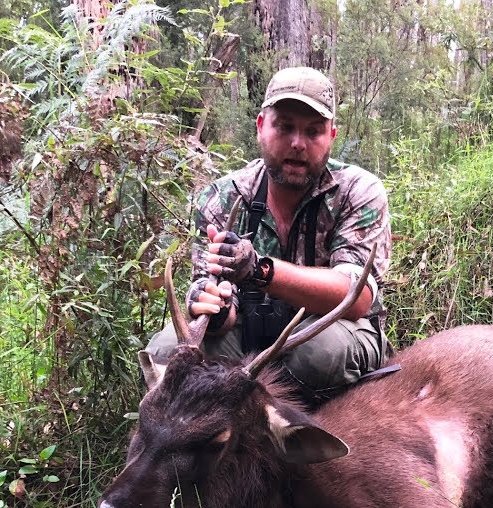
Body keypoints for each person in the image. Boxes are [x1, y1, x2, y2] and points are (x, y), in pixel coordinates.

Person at [146, 66, 392, 404]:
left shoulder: (357, 192)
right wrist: (215, 310)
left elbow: (356, 297)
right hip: (248, 331)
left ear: (332, 136)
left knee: (319, 355)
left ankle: (313, 431)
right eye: (285, 126)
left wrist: (259, 270)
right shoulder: (221, 197)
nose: (297, 144)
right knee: (166, 352)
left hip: (333, 330)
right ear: (261, 126)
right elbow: (216, 298)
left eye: (313, 131)